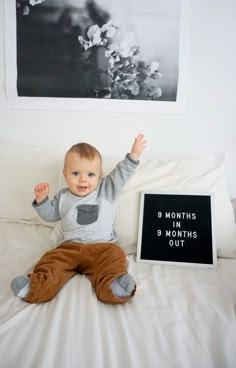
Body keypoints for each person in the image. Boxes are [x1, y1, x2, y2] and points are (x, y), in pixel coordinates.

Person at [10, 134, 146, 304]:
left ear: (99, 176)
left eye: (90, 174)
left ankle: (113, 286)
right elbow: (50, 216)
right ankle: (36, 286)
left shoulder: (106, 190)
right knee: (52, 260)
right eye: (75, 173)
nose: (83, 179)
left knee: (116, 256)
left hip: (102, 248)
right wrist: (42, 200)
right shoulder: (63, 197)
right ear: (65, 174)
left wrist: (133, 155)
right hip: (70, 248)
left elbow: (121, 173)